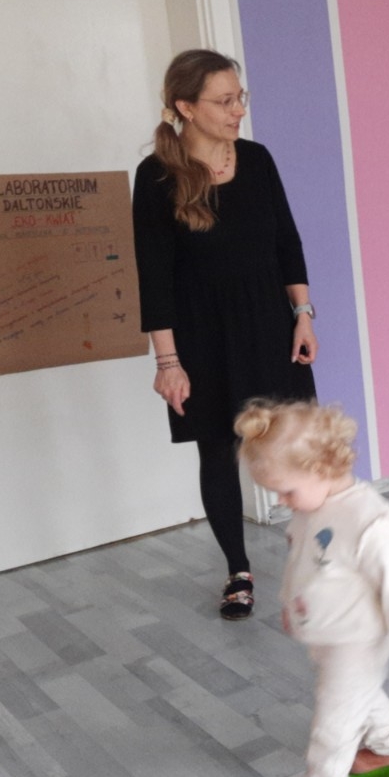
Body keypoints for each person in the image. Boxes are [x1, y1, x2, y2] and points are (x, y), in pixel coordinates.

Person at [132, 49, 318, 620]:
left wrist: (304, 313)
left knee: (298, 447)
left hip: (270, 324)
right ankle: (238, 570)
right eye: (225, 100)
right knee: (218, 451)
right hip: (202, 336)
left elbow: (286, 241)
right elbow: (154, 278)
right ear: (186, 107)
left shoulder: (257, 160)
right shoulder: (156, 176)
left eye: (241, 97)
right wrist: (168, 364)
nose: (239, 109)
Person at [233, 400, 389, 777]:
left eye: (286, 492)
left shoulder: (370, 521)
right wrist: (290, 603)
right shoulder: (311, 505)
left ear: (322, 468)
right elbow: (303, 562)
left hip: (360, 636)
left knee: (334, 722)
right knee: (358, 693)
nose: (282, 502)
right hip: (328, 630)